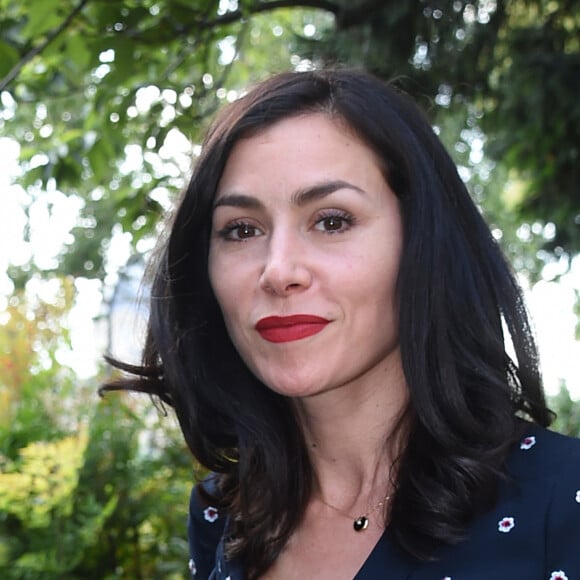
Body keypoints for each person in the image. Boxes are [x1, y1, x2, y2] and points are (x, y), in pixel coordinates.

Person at [102, 69, 580, 579]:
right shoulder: (224, 517)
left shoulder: (562, 501)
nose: (278, 270)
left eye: (332, 220)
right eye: (242, 230)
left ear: (423, 243)